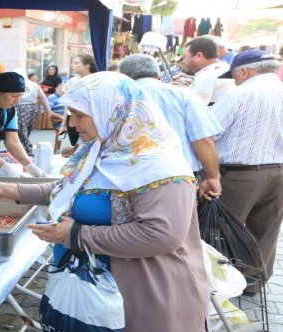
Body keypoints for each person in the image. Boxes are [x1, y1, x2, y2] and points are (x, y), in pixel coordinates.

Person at [0, 72, 209, 332]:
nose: (71, 122)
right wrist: (6, 189)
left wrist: (76, 234)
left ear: (111, 111)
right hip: (97, 295)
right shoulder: (103, 151)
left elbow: (162, 235)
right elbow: (67, 189)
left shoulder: (160, 167)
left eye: (79, 114)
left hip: (143, 299)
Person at [213, 50, 283, 293]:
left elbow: (208, 132)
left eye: (234, 75)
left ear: (244, 71)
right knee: (266, 228)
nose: (234, 80)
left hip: (239, 174)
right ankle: (252, 282)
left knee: (220, 228)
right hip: (278, 172)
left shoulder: (239, 94)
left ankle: (217, 283)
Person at [119, 54, 224, 200]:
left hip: (129, 178)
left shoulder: (117, 98)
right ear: (158, 74)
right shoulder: (184, 94)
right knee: (181, 221)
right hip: (180, 178)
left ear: (123, 75)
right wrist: (213, 177)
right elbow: (203, 139)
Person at [181, 36, 235, 106]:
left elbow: (193, 110)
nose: (183, 61)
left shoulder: (205, 76)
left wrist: (178, 91)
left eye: (185, 57)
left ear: (198, 56)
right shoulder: (226, 67)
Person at [64, 53, 98, 156]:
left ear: (87, 65)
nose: (72, 65)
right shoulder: (72, 81)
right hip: (71, 116)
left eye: (76, 63)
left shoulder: (97, 80)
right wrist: (63, 123)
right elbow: (67, 104)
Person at [13, 68, 51, 156]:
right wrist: (47, 109)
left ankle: (28, 150)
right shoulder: (34, 84)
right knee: (27, 130)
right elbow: (43, 98)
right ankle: (23, 149)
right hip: (33, 108)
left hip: (20, 108)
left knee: (21, 131)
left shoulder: (15, 84)